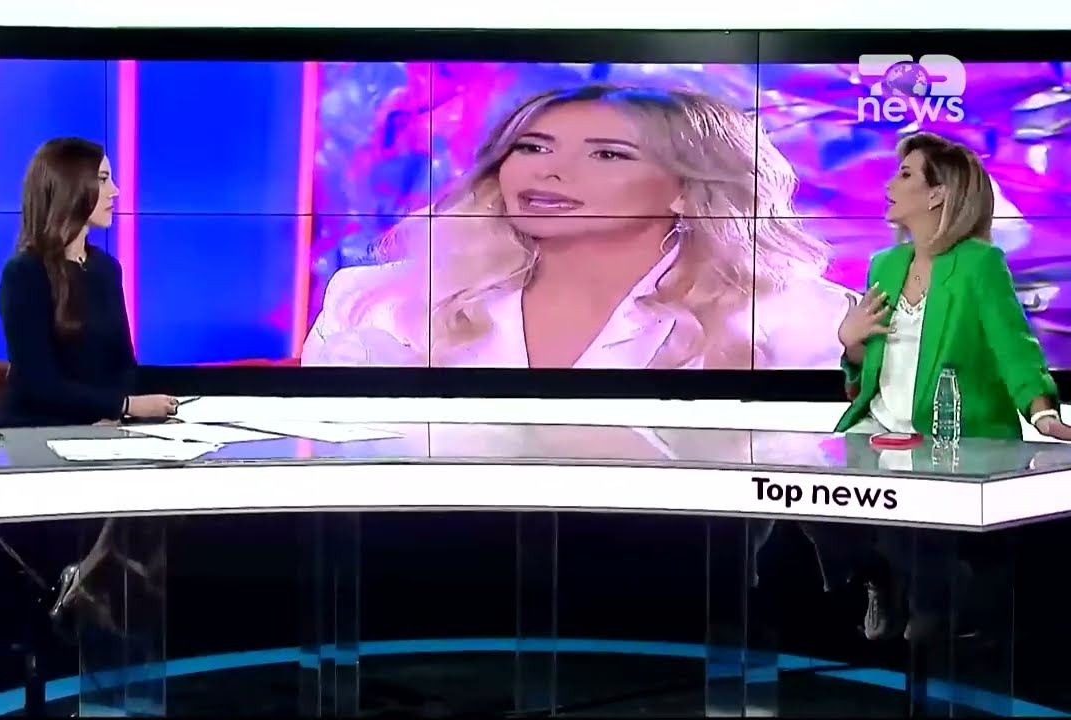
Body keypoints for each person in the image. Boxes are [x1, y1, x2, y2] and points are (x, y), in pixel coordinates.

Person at [302, 84, 854, 370]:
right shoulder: (375, 301)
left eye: (607, 154)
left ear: (687, 190)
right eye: (532, 147)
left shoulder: (800, 316)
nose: (548, 170)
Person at [830, 131, 1070, 641]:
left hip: (945, 431)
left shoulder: (979, 265)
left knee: (919, 550)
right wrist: (850, 344)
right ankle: (878, 576)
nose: (889, 185)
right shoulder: (884, 265)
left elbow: (1013, 345)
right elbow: (868, 365)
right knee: (817, 504)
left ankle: (940, 604)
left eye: (905, 175)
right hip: (878, 426)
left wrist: (1043, 412)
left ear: (938, 194)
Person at [0, 137, 176, 428]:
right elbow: (37, 385)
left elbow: (123, 365)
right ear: (70, 187)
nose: (115, 190)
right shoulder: (24, 273)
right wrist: (123, 405)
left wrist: (112, 415)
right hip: (35, 430)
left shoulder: (106, 268)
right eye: (102, 179)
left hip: (102, 428)